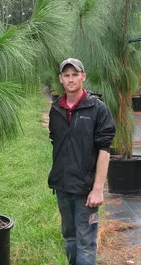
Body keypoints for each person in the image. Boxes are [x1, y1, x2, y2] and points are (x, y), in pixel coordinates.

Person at [48, 58, 116, 265]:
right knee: (69, 238)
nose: (71, 79)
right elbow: (57, 142)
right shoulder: (56, 109)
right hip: (62, 187)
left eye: (75, 75)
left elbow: (104, 150)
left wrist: (97, 189)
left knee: (85, 243)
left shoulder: (97, 108)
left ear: (83, 77)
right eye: (66, 75)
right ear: (61, 79)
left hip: (86, 190)